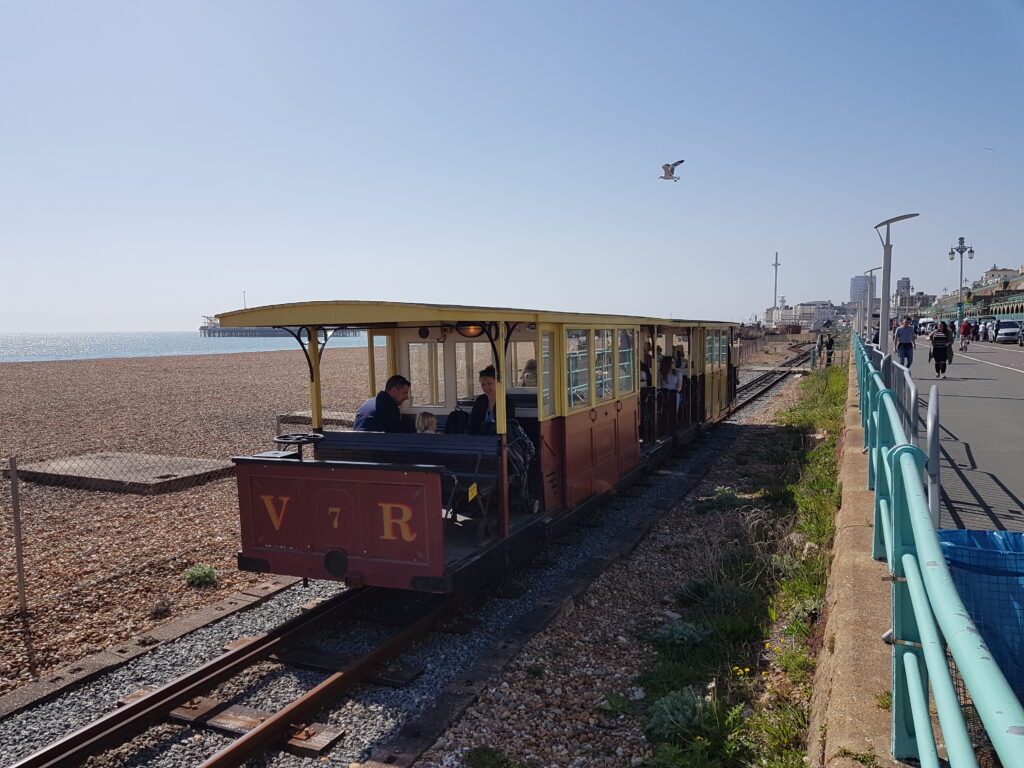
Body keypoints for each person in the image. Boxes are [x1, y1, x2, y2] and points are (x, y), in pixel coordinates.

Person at [468, 365, 515, 435]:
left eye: (489, 383)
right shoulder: (480, 400)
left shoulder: (506, 401)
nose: (486, 387)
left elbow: (509, 425)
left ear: (497, 383)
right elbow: (472, 423)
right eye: (483, 384)